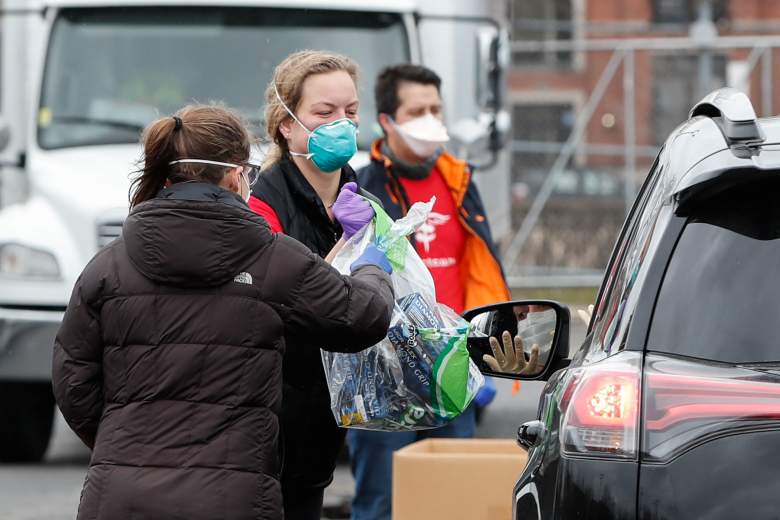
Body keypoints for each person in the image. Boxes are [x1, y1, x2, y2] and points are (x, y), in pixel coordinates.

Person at [51, 104, 394, 520]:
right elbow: (362, 316)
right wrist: (372, 265)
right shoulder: (272, 258)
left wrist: (122, 447)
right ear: (236, 174)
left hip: (121, 497)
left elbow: (73, 380)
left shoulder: (108, 265)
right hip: (234, 496)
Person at [349, 64, 511, 520]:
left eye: (436, 108)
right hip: (384, 371)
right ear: (387, 121)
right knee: (381, 502)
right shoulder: (361, 187)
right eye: (417, 110)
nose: (430, 118)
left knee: (450, 502)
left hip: (450, 367)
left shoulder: (459, 181)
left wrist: (486, 348)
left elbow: (478, 266)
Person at [247, 50, 378, 520]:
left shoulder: (359, 196)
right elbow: (283, 298)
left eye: (350, 112)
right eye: (324, 113)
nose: (340, 124)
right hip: (268, 416)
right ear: (285, 123)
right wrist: (346, 247)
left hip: (324, 417)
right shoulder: (262, 202)